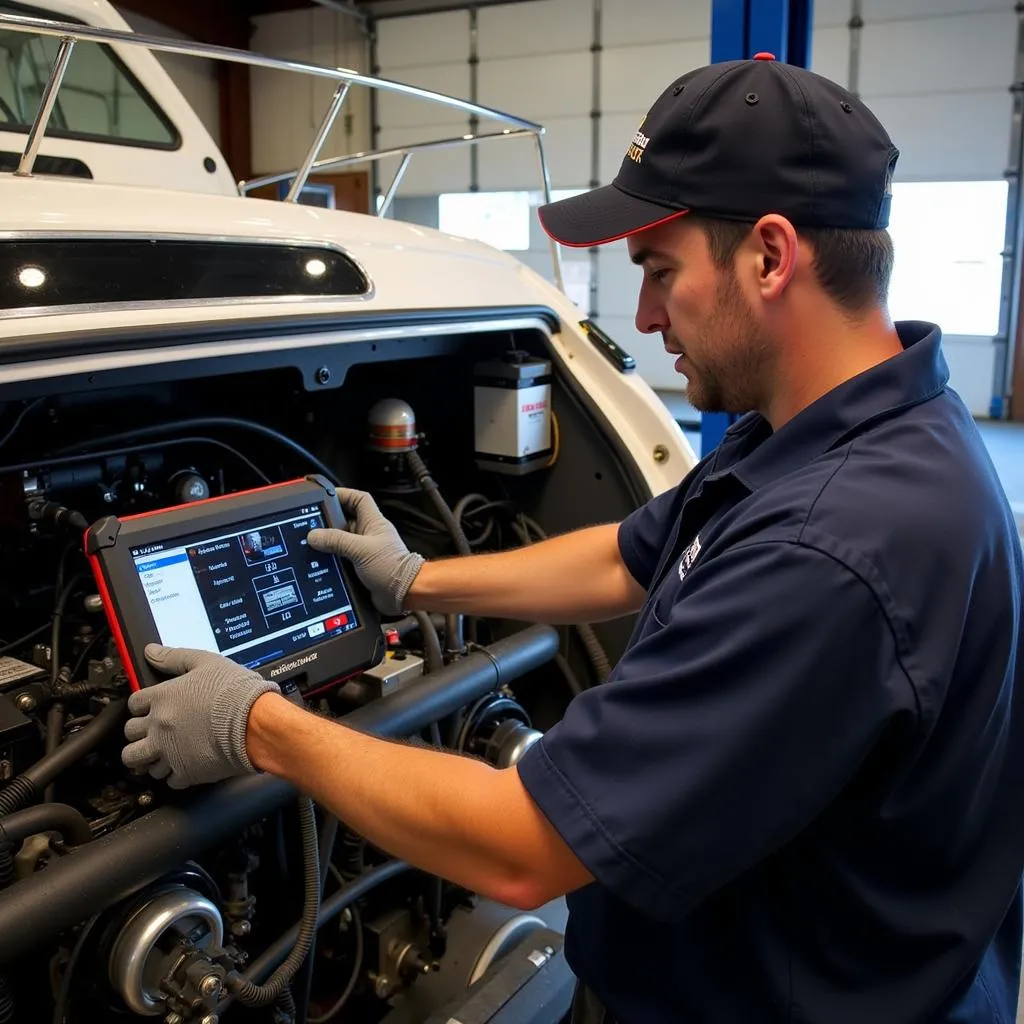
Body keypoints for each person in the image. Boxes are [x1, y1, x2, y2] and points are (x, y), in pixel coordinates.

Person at [122, 54, 1024, 1024]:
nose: (640, 316)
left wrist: (254, 724)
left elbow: (522, 847)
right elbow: (622, 554)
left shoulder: (833, 542)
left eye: (659, 271)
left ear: (769, 256)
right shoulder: (837, 427)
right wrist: (416, 580)